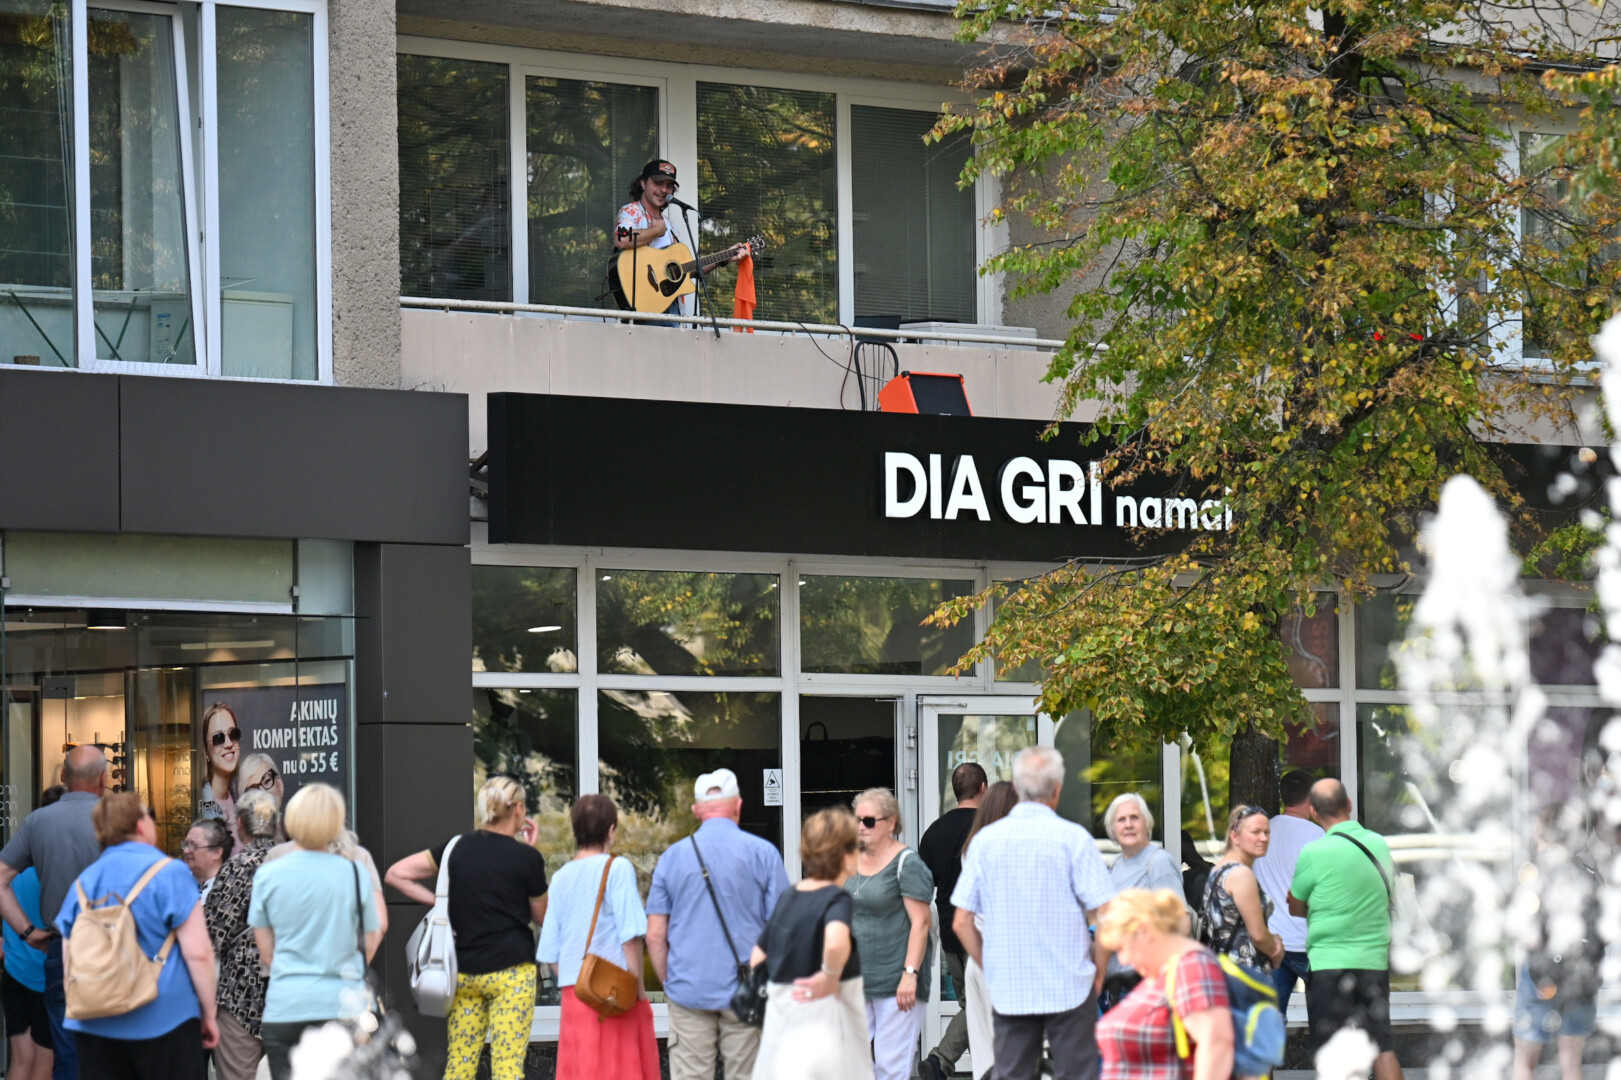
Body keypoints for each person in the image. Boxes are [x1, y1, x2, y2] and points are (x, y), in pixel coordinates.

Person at [951, 746, 1115, 1080]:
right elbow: (1107, 917)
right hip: (1071, 984)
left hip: (1011, 986)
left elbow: (961, 922)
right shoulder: (1075, 839)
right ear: (1057, 789)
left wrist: (990, 965)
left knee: (1013, 1073)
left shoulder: (984, 843)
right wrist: (1098, 974)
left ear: (1017, 786)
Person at [385, 775, 548, 1080]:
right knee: (508, 1067)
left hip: (464, 973)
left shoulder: (456, 848)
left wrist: (439, 903)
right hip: (511, 972)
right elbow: (541, 915)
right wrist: (529, 852)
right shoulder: (527, 858)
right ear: (517, 809)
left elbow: (396, 874)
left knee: (460, 1063)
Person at [55, 792, 220, 1078]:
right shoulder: (171, 873)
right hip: (165, 1018)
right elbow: (199, 953)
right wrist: (208, 1013)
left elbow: (69, 955)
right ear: (141, 825)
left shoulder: (83, 883)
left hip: (94, 1023)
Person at [646, 768, 788, 1080]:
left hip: (688, 989)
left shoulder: (671, 858)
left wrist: (670, 982)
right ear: (738, 805)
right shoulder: (764, 854)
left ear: (696, 811)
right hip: (747, 990)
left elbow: (655, 935)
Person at [248, 783, 379, 1080]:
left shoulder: (267, 874)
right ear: (335, 822)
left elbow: (266, 953)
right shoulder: (355, 874)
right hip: (343, 1006)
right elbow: (370, 940)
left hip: (286, 1006)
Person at [0, 745, 111, 1080]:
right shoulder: (119, 820)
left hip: (61, 950)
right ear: (104, 779)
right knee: (114, 1057)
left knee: (66, 1057)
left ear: (63, 776)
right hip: (112, 951)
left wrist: (27, 932)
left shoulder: (38, 821)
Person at [1287, 779, 1402, 1080]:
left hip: (1329, 964)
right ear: (1348, 804)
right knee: (1381, 1048)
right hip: (1373, 962)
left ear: (1313, 812)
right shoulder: (1378, 844)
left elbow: (1294, 905)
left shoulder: (1314, 852)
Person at [536, 794, 657, 1080]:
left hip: (575, 996)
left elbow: (550, 953)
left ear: (575, 831)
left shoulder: (560, 878)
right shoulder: (617, 868)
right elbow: (630, 939)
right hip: (613, 995)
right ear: (611, 831)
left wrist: (582, 982)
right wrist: (637, 991)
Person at [749, 807, 872, 1080]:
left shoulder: (789, 896)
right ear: (845, 858)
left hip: (782, 1032)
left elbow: (757, 957)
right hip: (827, 1029)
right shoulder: (837, 898)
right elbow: (836, 941)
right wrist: (830, 976)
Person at [1095, 888, 1235, 1080]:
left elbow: (1217, 1045)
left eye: (1122, 948)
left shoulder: (1191, 967)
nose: (1123, 959)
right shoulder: (1167, 972)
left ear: (1143, 931)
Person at [846, 787, 933, 1080]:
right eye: (857, 820)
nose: (861, 827)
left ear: (891, 823)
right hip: (857, 979)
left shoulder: (907, 864)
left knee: (889, 1067)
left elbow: (921, 923)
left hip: (897, 981)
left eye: (869, 821)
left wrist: (910, 974)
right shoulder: (850, 861)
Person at [1512, 807, 1603, 1080]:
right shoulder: (1588, 874)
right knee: (1571, 1064)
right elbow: (1601, 931)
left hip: (1541, 978)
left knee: (1524, 1062)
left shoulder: (1536, 874)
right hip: (1580, 976)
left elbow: (1527, 934)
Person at [203, 789, 281, 1080]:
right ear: (275, 823)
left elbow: (212, 935)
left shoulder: (237, 868)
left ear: (239, 825)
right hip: (286, 994)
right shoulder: (291, 865)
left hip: (241, 996)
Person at [916, 762, 987, 1080]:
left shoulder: (934, 832)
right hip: (982, 932)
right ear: (983, 788)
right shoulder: (988, 828)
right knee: (981, 1005)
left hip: (950, 931)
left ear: (956, 791)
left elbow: (922, 885)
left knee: (972, 1003)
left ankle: (940, 1063)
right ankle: (941, 1059)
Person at [1101, 792, 1185, 1010]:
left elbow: (1180, 924)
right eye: (1121, 820)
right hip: (1116, 985)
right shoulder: (1116, 865)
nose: (1128, 824)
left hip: (1146, 985)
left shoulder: (1158, 862)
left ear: (1146, 823)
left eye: (1134, 817)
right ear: (1112, 829)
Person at [2, 787, 64, 1080]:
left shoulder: (13, 869)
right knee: (45, 1062)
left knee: (20, 1061)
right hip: (44, 977)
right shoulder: (56, 870)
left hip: (14, 974)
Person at [958, 780, 1018, 1080]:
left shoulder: (972, 849)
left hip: (977, 957)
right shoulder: (1008, 851)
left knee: (984, 1052)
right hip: (1004, 956)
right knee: (1012, 1050)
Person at [1252, 770, 1322, 1013]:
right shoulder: (1317, 836)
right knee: (1324, 1020)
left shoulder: (1262, 834)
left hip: (1272, 942)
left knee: (1269, 1020)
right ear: (1311, 799)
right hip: (1308, 941)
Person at [1202, 806, 1283, 973]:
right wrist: (1276, 949)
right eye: (1256, 832)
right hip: (1245, 975)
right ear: (1235, 836)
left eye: (1267, 832)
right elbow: (1258, 935)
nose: (1263, 838)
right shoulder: (1241, 874)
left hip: (1222, 971)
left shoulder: (1219, 869)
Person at [197, 703, 241, 832]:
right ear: (205, 750)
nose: (228, 744)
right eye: (218, 738)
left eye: (233, 734)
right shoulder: (201, 806)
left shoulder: (241, 799)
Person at [182, 818, 232, 903]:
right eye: (186, 844)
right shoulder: (179, 880)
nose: (186, 850)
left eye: (194, 845)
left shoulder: (226, 890)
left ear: (216, 852)